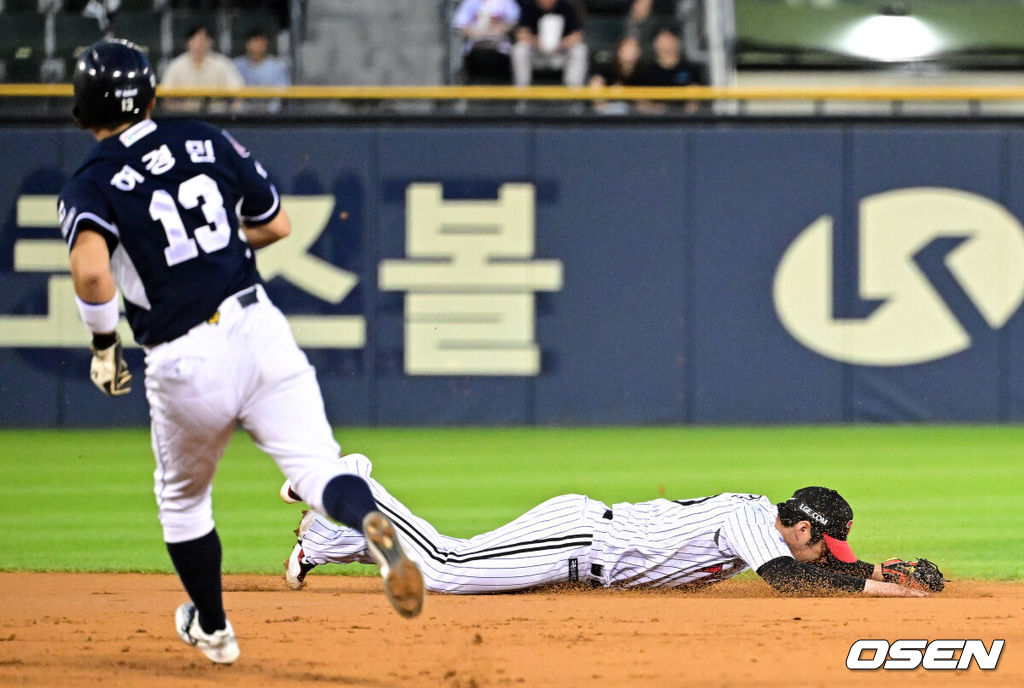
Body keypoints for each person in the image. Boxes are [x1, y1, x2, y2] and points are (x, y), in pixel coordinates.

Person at [59, 39, 424, 665]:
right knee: (317, 468)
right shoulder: (203, 138)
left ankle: (216, 627)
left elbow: (93, 275)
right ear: (152, 96)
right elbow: (276, 224)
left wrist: (102, 342)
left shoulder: (90, 181)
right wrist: (221, 240)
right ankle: (369, 526)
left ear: (83, 111)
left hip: (182, 355)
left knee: (183, 501)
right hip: (258, 328)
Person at [279, 454, 942, 597]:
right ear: (799, 525)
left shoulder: (774, 527)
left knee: (453, 565)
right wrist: (893, 592)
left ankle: (336, 536)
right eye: (823, 542)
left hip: (584, 552)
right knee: (448, 570)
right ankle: (355, 484)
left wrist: (877, 570)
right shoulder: (755, 524)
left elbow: (815, 569)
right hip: (579, 541)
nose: (826, 554)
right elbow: (792, 582)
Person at [161, 24, 244, 113]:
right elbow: (166, 99)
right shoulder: (176, 65)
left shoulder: (223, 64)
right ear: (188, 42)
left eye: (204, 40)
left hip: (217, 116)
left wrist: (231, 117)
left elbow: (239, 93)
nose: (199, 44)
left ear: (210, 42)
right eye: (195, 39)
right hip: (186, 115)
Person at [511, 0, 589, 88]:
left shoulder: (566, 7)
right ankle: (521, 90)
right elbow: (521, 34)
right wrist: (537, 42)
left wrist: (560, 44)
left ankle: (573, 91)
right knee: (519, 49)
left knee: (579, 50)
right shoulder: (529, 7)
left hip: (560, 54)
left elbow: (577, 35)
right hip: (536, 54)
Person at [635, 22, 706, 113]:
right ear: (655, 43)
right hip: (654, 123)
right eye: (662, 38)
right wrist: (657, 110)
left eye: (670, 38)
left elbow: (695, 101)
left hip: (685, 123)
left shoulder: (691, 69)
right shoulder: (645, 71)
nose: (666, 42)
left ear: (678, 41)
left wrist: (684, 114)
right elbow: (641, 103)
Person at [452, 0, 521, 84]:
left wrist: (498, 27)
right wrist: (476, 32)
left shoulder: (506, 2)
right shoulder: (470, 2)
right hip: (475, 49)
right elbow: (460, 25)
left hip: (500, 49)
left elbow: (514, 22)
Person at [233, 27, 290, 113]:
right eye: (254, 41)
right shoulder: (237, 65)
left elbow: (282, 94)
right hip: (244, 114)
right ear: (247, 44)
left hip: (271, 114)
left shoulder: (277, 66)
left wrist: (270, 110)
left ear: (266, 44)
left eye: (261, 42)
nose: (258, 45)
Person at [588, 35, 645, 115]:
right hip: (607, 114)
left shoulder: (644, 71)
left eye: (633, 48)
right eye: (626, 48)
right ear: (619, 50)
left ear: (639, 52)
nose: (630, 52)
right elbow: (595, 88)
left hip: (636, 117)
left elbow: (644, 102)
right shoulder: (607, 68)